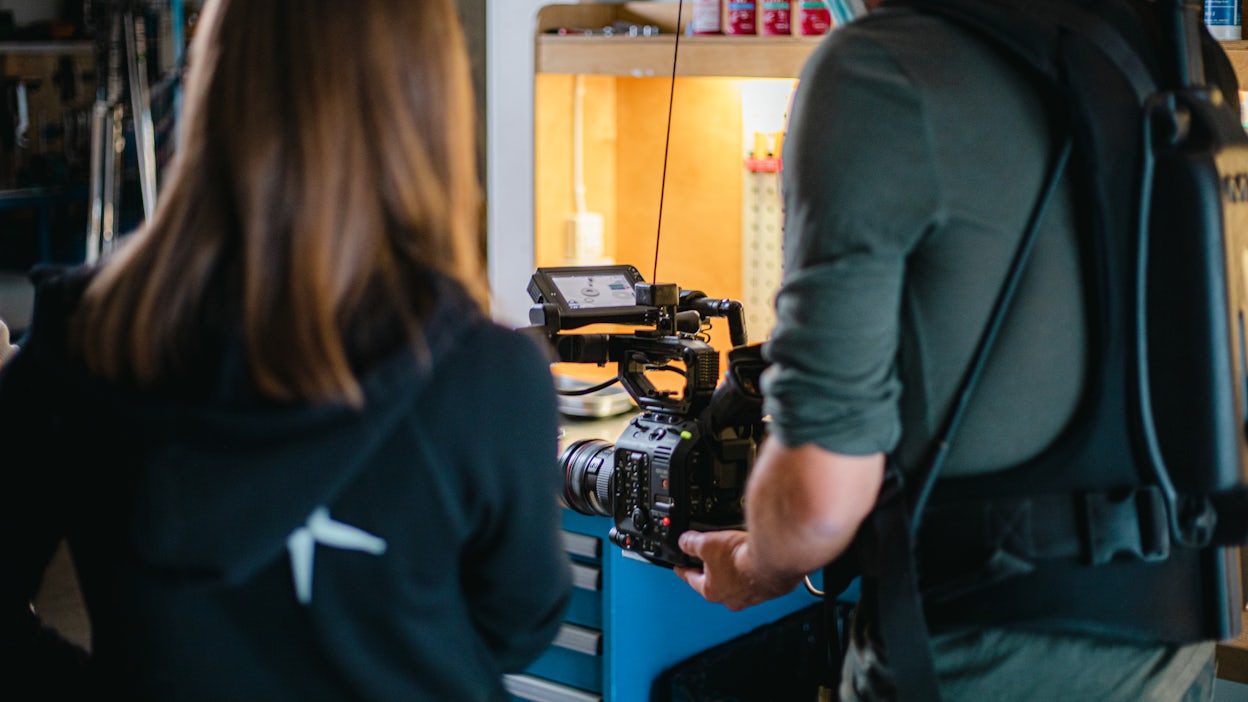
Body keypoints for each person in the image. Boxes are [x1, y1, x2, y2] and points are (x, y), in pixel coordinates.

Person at [0, 0, 571, 700]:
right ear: (428, 101)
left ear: (213, 83)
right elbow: (519, 624)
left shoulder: (82, 340)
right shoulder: (491, 377)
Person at [676, 0, 1224, 699]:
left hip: (975, 667)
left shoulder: (878, 69)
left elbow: (816, 504)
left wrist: (753, 562)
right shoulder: (1174, 46)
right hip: (1173, 651)